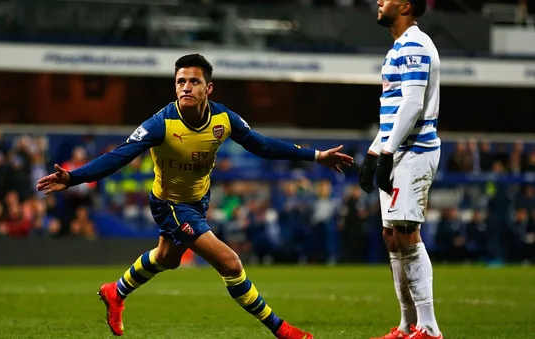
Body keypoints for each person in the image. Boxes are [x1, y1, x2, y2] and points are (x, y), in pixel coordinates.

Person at [36, 53, 354, 339]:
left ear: (208, 88)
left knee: (167, 258)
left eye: (193, 81)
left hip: (198, 201)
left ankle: (115, 291)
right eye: (180, 81)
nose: (186, 87)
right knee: (231, 263)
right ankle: (281, 329)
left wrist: (316, 155)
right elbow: (118, 156)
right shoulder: (161, 123)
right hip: (170, 205)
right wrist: (74, 177)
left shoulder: (223, 119)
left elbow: (263, 145)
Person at [358, 1, 443, 339]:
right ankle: (408, 326)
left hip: (414, 152)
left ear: (406, 5)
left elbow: (412, 103)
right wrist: (373, 152)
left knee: (407, 232)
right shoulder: (398, 47)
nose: (379, 1)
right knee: (392, 236)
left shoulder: (415, 45)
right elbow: (394, 111)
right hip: (398, 152)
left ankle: (430, 328)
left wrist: (388, 152)